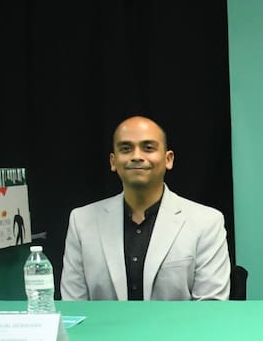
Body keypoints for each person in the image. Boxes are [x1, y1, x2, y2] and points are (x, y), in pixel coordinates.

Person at [60, 115, 230, 301]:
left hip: (182, 323)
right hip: (101, 323)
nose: (136, 156)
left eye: (148, 148)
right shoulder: (82, 221)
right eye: (126, 149)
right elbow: (73, 306)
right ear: (113, 161)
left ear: (168, 159)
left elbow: (211, 307)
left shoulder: (206, 222)